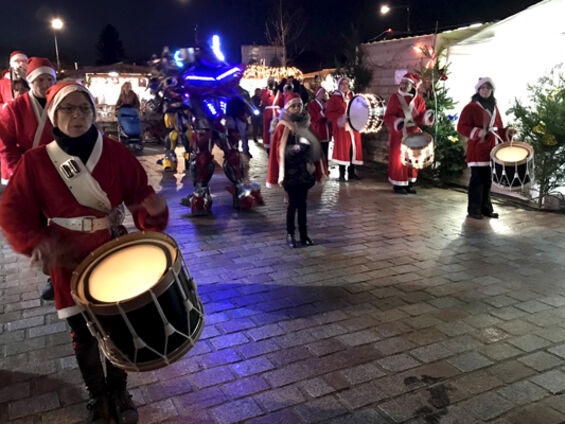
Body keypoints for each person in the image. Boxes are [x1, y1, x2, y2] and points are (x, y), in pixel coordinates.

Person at [0, 81, 169, 424]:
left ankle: (119, 390)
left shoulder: (117, 153)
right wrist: (36, 242)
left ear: (93, 113)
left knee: (119, 325)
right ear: (52, 114)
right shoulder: (35, 162)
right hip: (68, 257)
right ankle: (97, 395)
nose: (77, 115)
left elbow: (138, 193)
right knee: (83, 331)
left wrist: (150, 211)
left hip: (111, 248)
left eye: (84, 108)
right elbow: (13, 211)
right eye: (67, 108)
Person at [267, 97, 326, 248]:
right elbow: (279, 151)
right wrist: (296, 149)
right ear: (287, 108)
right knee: (292, 205)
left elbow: (314, 146)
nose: (297, 109)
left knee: (303, 205)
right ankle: (290, 234)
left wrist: (308, 149)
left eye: (299, 106)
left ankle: (304, 234)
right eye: (293, 106)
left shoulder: (306, 125)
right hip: (290, 172)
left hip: (304, 172)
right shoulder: (282, 127)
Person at [457, 77, 515, 219]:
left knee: (487, 179)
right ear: (478, 90)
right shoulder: (470, 107)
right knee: (477, 178)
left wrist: (508, 132)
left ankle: (486, 209)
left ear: (491, 90)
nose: (485, 90)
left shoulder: (494, 107)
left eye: (488, 88)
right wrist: (477, 132)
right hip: (477, 148)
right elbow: (461, 127)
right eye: (482, 88)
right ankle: (474, 209)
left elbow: (499, 128)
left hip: (491, 148)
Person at [0, 57, 57, 185]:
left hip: (60, 168)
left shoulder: (61, 103)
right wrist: (17, 172)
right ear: (30, 81)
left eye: (50, 79)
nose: (46, 84)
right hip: (28, 169)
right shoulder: (14, 108)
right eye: (40, 79)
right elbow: (5, 146)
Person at [383, 72, 434, 194]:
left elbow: (421, 115)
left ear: (412, 85)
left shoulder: (419, 99)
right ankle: (398, 184)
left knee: (413, 157)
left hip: (413, 132)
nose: (404, 85)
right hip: (400, 132)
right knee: (398, 159)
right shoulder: (395, 98)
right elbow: (388, 116)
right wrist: (397, 122)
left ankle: (410, 183)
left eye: (407, 83)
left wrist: (427, 118)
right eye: (402, 83)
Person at [325, 77, 362, 181]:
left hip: (353, 127)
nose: (345, 86)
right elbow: (328, 113)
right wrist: (340, 117)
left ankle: (351, 172)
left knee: (352, 149)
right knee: (343, 149)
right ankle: (342, 174)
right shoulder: (335, 98)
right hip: (341, 128)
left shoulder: (352, 96)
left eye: (347, 84)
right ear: (339, 85)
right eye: (343, 84)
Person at [308, 86, 331, 167]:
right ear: (317, 94)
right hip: (318, 131)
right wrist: (323, 110)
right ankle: (319, 169)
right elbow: (313, 118)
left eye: (324, 93)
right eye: (321, 93)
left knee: (326, 151)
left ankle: (326, 168)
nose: (323, 95)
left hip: (326, 130)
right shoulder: (312, 105)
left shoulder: (325, 102)